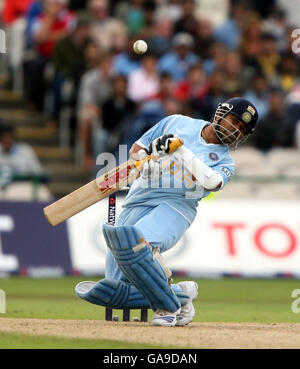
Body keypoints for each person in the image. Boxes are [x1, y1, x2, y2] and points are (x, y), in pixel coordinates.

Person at [76, 97, 259, 327]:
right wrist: (147, 161)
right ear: (221, 112)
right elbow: (137, 150)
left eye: (242, 130)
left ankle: (168, 307)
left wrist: (179, 150)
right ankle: (180, 294)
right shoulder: (176, 122)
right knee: (119, 283)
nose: (236, 130)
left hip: (177, 205)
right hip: (138, 199)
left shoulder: (225, 162)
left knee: (136, 244)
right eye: (235, 121)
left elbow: (211, 181)